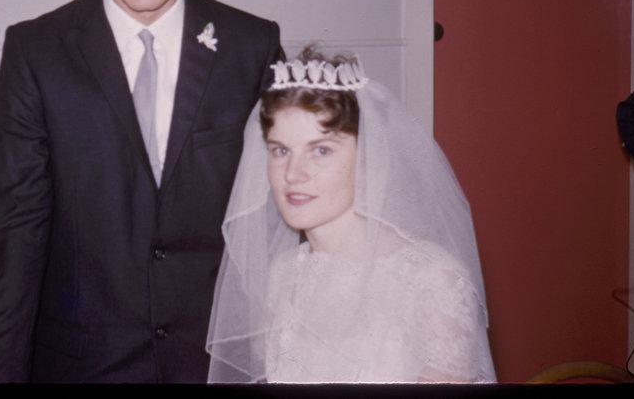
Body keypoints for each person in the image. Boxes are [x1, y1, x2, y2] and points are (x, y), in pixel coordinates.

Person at [0, 0, 283, 382]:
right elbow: (18, 238)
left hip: (217, 368)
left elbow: (283, 225)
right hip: (83, 369)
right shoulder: (36, 52)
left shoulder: (252, 47)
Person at [206, 50, 496, 383]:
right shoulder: (283, 276)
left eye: (322, 150)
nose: (294, 174)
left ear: (369, 158)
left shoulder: (433, 283)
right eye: (280, 150)